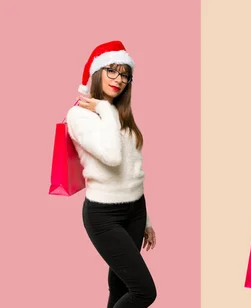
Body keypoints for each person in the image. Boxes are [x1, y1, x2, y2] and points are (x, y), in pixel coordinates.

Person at [66, 41, 158, 308]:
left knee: (119, 288)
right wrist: (105, 110)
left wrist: (147, 219)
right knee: (143, 292)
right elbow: (112, 156)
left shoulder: (119, 114)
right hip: (104, 215)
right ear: (97, 72)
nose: (119, 80)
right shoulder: (80, 115)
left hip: (135, 210)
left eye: (125, 74)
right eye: (112, 71)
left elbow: (132, 169)